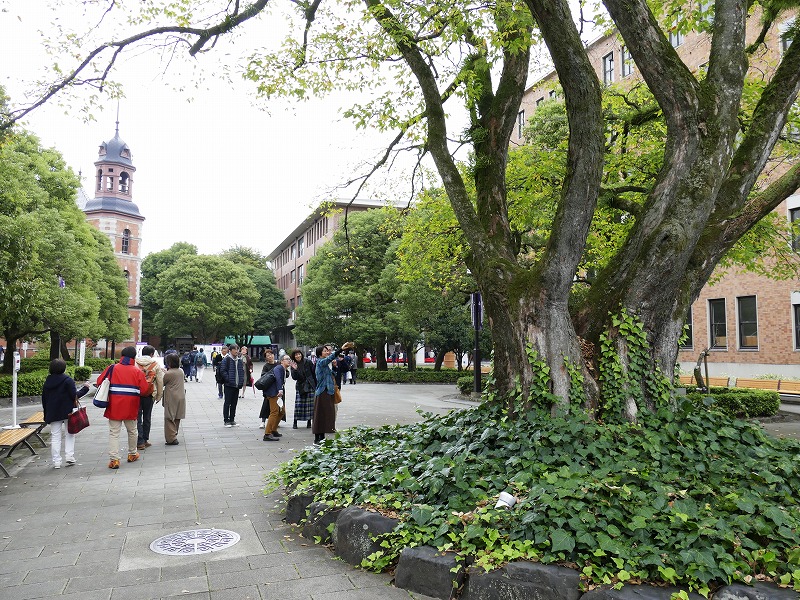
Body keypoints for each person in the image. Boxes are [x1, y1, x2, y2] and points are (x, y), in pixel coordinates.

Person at [96, 346, 150, 469]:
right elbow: (144, 390)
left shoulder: (112, 368)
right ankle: (132, 454)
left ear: (122, 356)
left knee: (114, 432)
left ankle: (114, 460)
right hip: (131, 406)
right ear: (134, 357)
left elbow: (99, 381)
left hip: (114, 406)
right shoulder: (137, 371)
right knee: (132, 431)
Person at [41, 358, 89, 469]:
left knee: (55, 437)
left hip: (53, 413)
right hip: (68, 412)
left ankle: (56, 461)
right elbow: (74, 396)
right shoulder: (68, 380)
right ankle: (69, 456)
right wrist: (85, 388)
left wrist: (46, 413)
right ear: (64, 368)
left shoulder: (47, 382)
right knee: (70, 433)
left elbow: (44, 399)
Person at [135, 345, 164, 451]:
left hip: (137, 394)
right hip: (149, 394)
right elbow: (160, 381)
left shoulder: (135, 363)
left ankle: (139, 441)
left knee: (137, 418)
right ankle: (145, 440)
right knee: (147, 417)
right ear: (152, 354)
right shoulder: (155, 365)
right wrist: (159, 396)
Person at [312, 344, 339, 445]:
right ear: (320, 353)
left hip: (328, 392)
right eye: (325, 351)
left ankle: (322, 437)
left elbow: (332, 374)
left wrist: (335, 367)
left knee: (325, 415)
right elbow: (329, 358)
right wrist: (340, 350)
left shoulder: (325, 364)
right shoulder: (320, 362)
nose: (327, 352)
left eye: (327, 351)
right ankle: (317, 438)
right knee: (319, 415)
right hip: (322, 392)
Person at [262, 354, 291, 441]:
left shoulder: (283, 369)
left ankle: (273, 430)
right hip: (274, 393)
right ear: (282, 361)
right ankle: (267, 434)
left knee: (281, 412)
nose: (289, 360)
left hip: (276, 393)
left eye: (289, 359)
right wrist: (280, 390)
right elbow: (278, 379)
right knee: (274, 412)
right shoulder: (279, 368)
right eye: (287, 359)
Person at [218, 343, 245, 427]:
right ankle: (226, 420)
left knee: (234, 403)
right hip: (229, 385)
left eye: (237, 349)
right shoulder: (227, 359)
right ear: (230, 350)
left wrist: (241, 382)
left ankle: (232, 419)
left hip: (237, 385)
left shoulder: (239, 360)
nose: (236, 351)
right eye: (234, 349)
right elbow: (222, 371)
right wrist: (228, 379)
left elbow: (242, 372)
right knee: (227, 403)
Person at [162, 353, 186, 445]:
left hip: (171, 397)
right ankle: (174, 434)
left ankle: (171, 438)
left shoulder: (169, 373)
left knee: (169, 417)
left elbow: (163, 382)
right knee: (177, 417)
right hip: (181, 396)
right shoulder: (181, 371)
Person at [289, 348, 315, 429]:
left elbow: (313, 373)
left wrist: (315, 384)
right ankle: (295, 422)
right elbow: (294, 377)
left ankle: (309, 422)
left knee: (310, 405)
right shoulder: (293, 364)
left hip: (310, 385)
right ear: (294, 356)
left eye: (299, 354)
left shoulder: (308, 361)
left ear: (301, 354)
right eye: (296, 355)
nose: (298, 356)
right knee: (299, 405)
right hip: (300, 386)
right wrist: (295, 370)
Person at [258, 350, 277, 429]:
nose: (270, 356)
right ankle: (263, 421)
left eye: (271, 354)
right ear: (266, 358)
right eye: (268, 356)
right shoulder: (266, 366)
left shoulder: (278, 364)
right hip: (269, 388)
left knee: (278, 406)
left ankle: (275, 421)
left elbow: (286, 374)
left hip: (278, 387)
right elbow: (263, 375)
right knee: (266, 405)